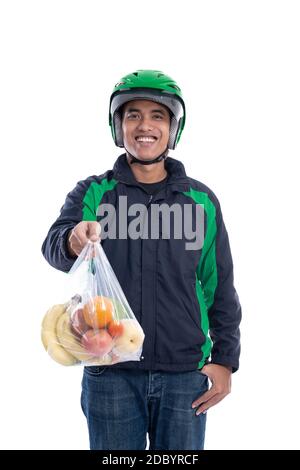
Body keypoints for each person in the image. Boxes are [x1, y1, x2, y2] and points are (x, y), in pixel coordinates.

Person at [41, 69, 242, 450]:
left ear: (173, 128)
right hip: (110, 371)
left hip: (185, 375)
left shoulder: (200, 202)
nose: (144, 125)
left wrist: (226, 360)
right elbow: (53, 246)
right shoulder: (95, 192)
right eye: (132, 114)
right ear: (118, 126)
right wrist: (72, 239)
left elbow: (219, 287)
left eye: (157, 116)